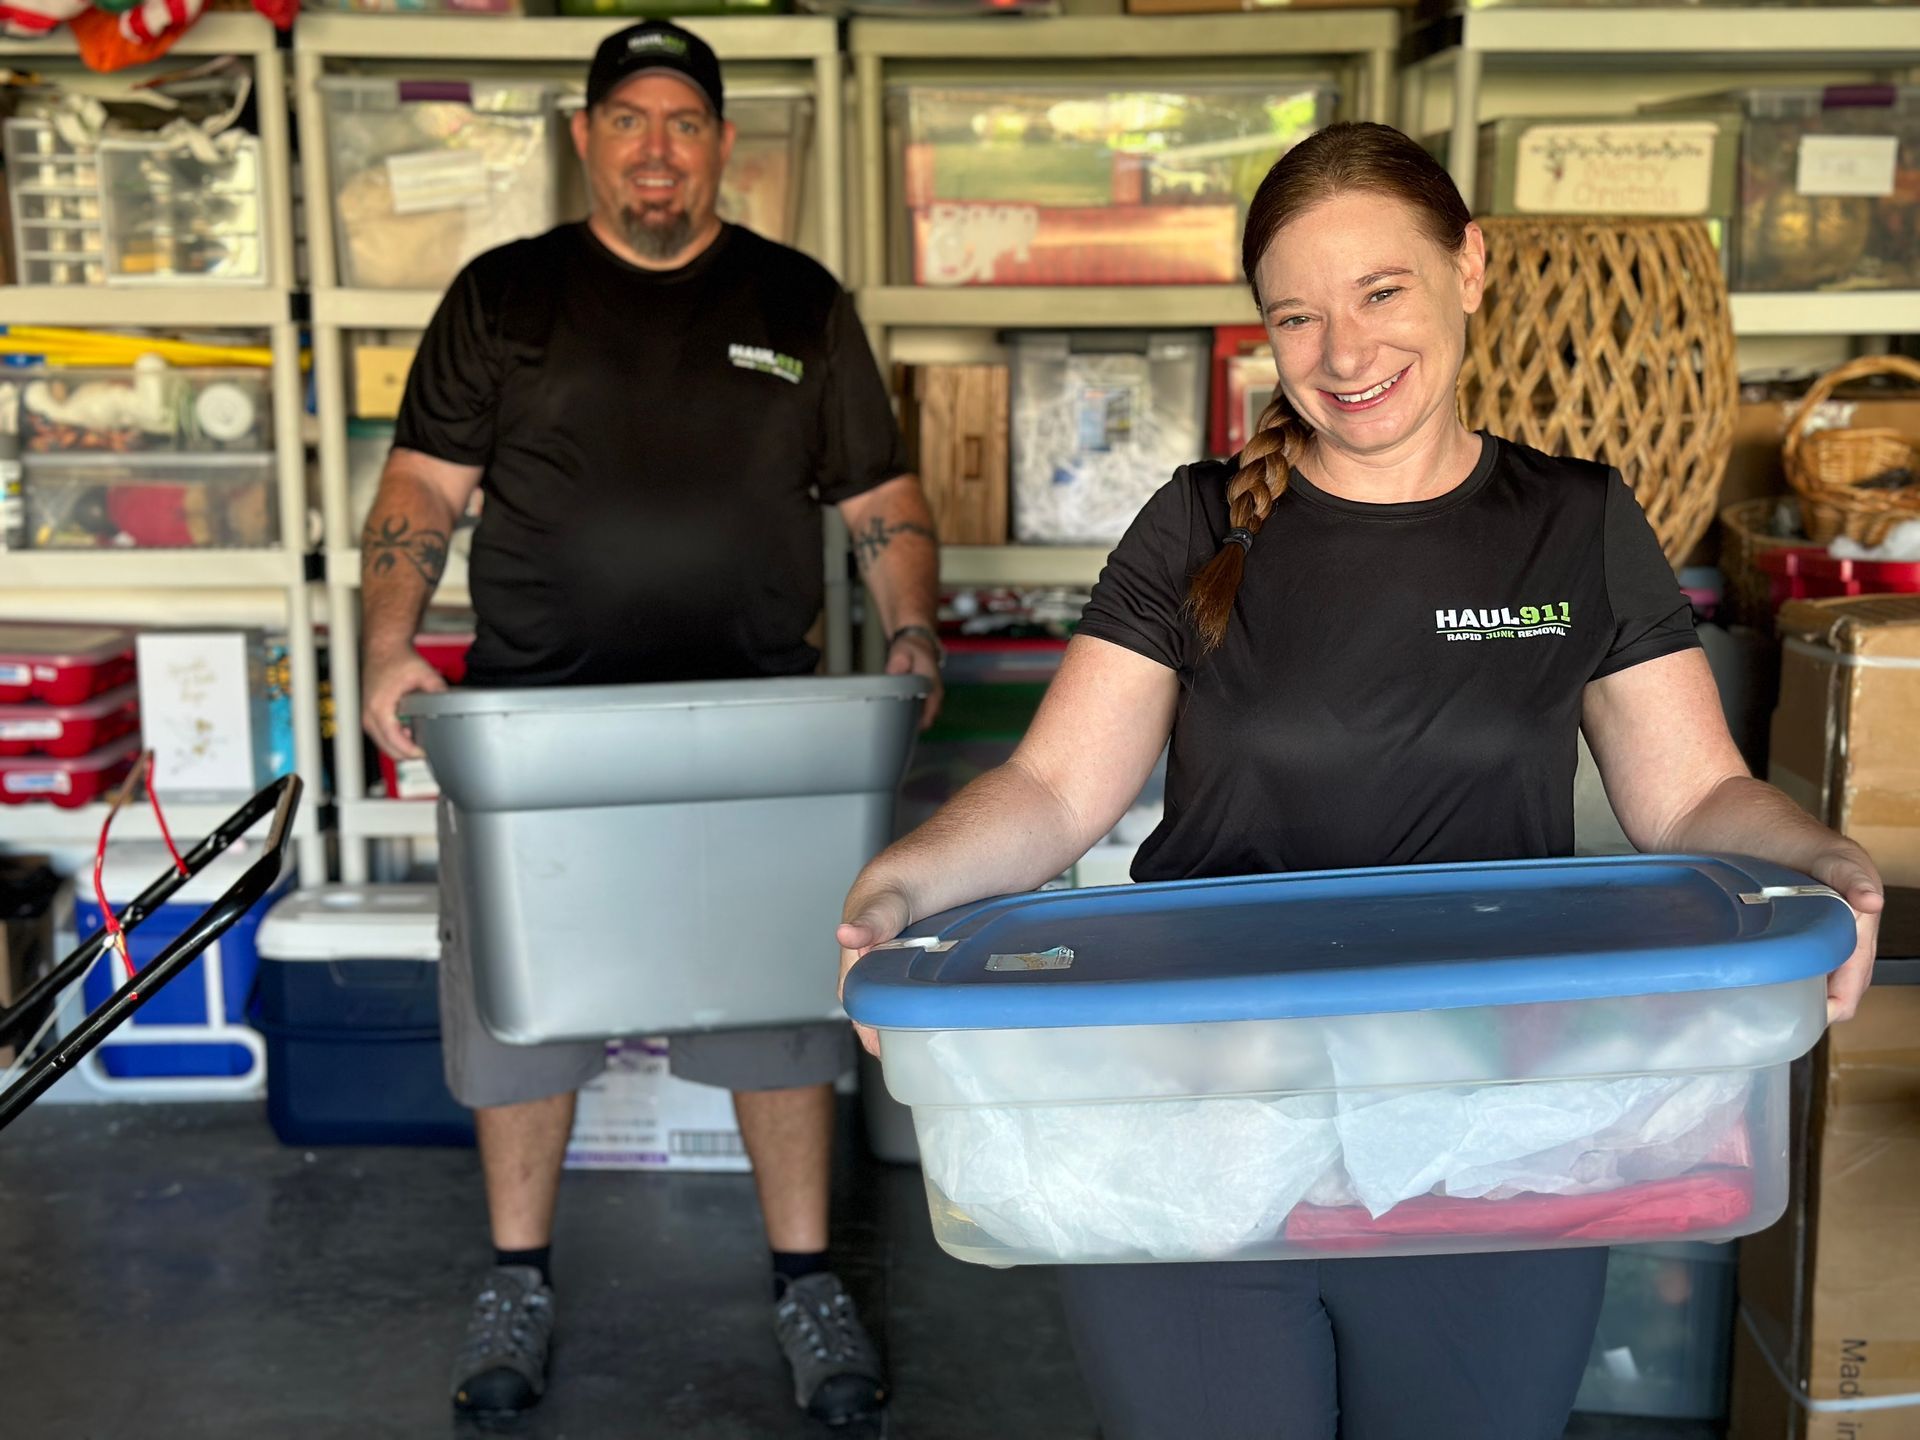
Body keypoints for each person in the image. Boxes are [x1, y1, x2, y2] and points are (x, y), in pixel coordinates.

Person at [836, 122, 1884, 1440]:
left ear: (1470, 268)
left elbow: (1689, 802)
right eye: (1297, 316)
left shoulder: (1574, 523)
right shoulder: (1198, 521)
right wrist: (901, 887)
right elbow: (1055, 791)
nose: (1344, 352)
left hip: (1490, 1123)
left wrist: (1820, 862)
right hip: (1203, 1112)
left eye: (1381, 291)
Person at [358, 20, 941, 1425]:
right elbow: (420, 495)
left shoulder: (799, 304)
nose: (658, 147)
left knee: (782, 1018)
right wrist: (385, 646)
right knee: (520, 1021)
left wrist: (916, 628)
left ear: (727, 143)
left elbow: (884, 503)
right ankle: (517, 1273)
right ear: (586, 138)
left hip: (756, 734)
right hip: (533, 730)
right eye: (630, 119)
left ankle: (806, 1280)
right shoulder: (503, 297)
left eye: (686, 120)